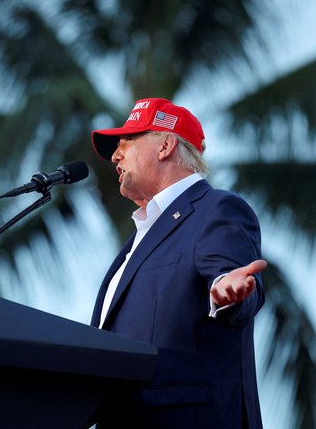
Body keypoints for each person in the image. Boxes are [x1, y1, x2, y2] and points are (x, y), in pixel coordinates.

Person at [89, 98, 267, 428]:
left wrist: (226, 292)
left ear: (166, 145)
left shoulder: (216, 209)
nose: (116, 155)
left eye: (127, 142)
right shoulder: (138, 239)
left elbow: (233, 279)